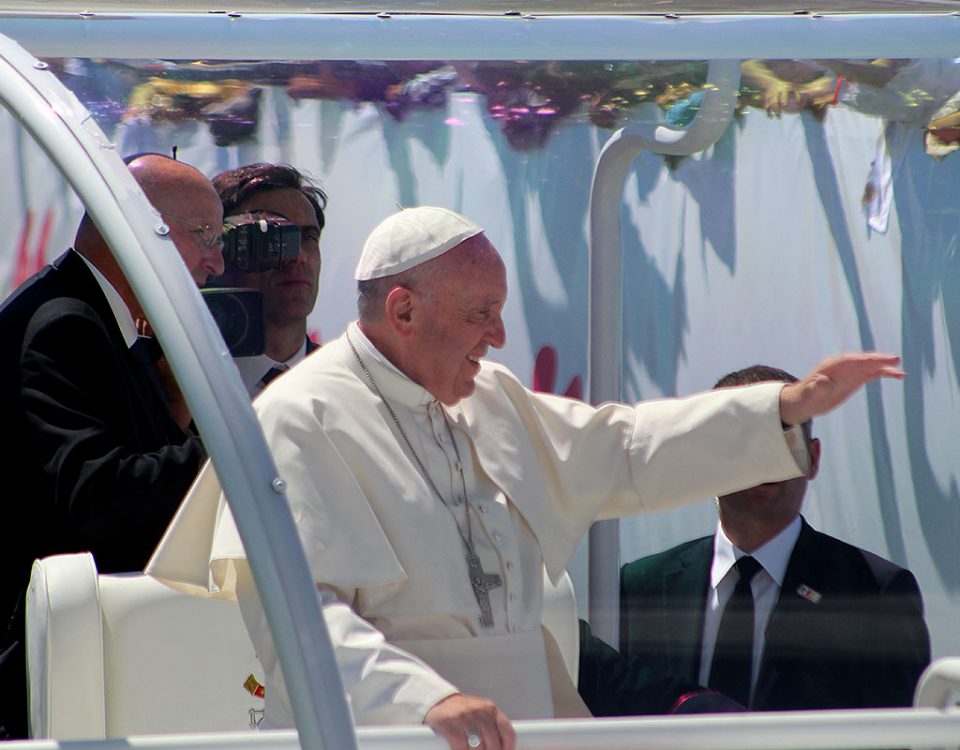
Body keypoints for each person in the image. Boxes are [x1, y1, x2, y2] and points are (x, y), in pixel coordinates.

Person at [149, 207, 905, 750]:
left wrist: (783, 408)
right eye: (482, 312)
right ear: (404, 309)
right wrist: (426, 700)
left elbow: (629, 450)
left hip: (518, 727)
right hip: (389, 734)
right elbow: (300, 618)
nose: (500, 336)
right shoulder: (297, 417)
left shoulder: (490, 399)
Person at [0, 153, 224, 738]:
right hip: (46, 681)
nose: (216, 260)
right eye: (204, 235)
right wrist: (233, 451)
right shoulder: (66, 324)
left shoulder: (94, 316)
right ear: (134, 227)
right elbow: (97, 497)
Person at [597, 364, 931, 715]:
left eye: (782, 436)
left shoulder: (872, 593)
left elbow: (899, 736)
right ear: (705, 459)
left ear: (813, 458)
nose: (766, 459)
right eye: (744, 441)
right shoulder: (640, 587)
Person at [211, 163, 326, 395]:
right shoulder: (184, 382)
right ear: (220, 247)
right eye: (273, 236)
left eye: (309, 237)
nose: (298, 256)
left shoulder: (355, 387)